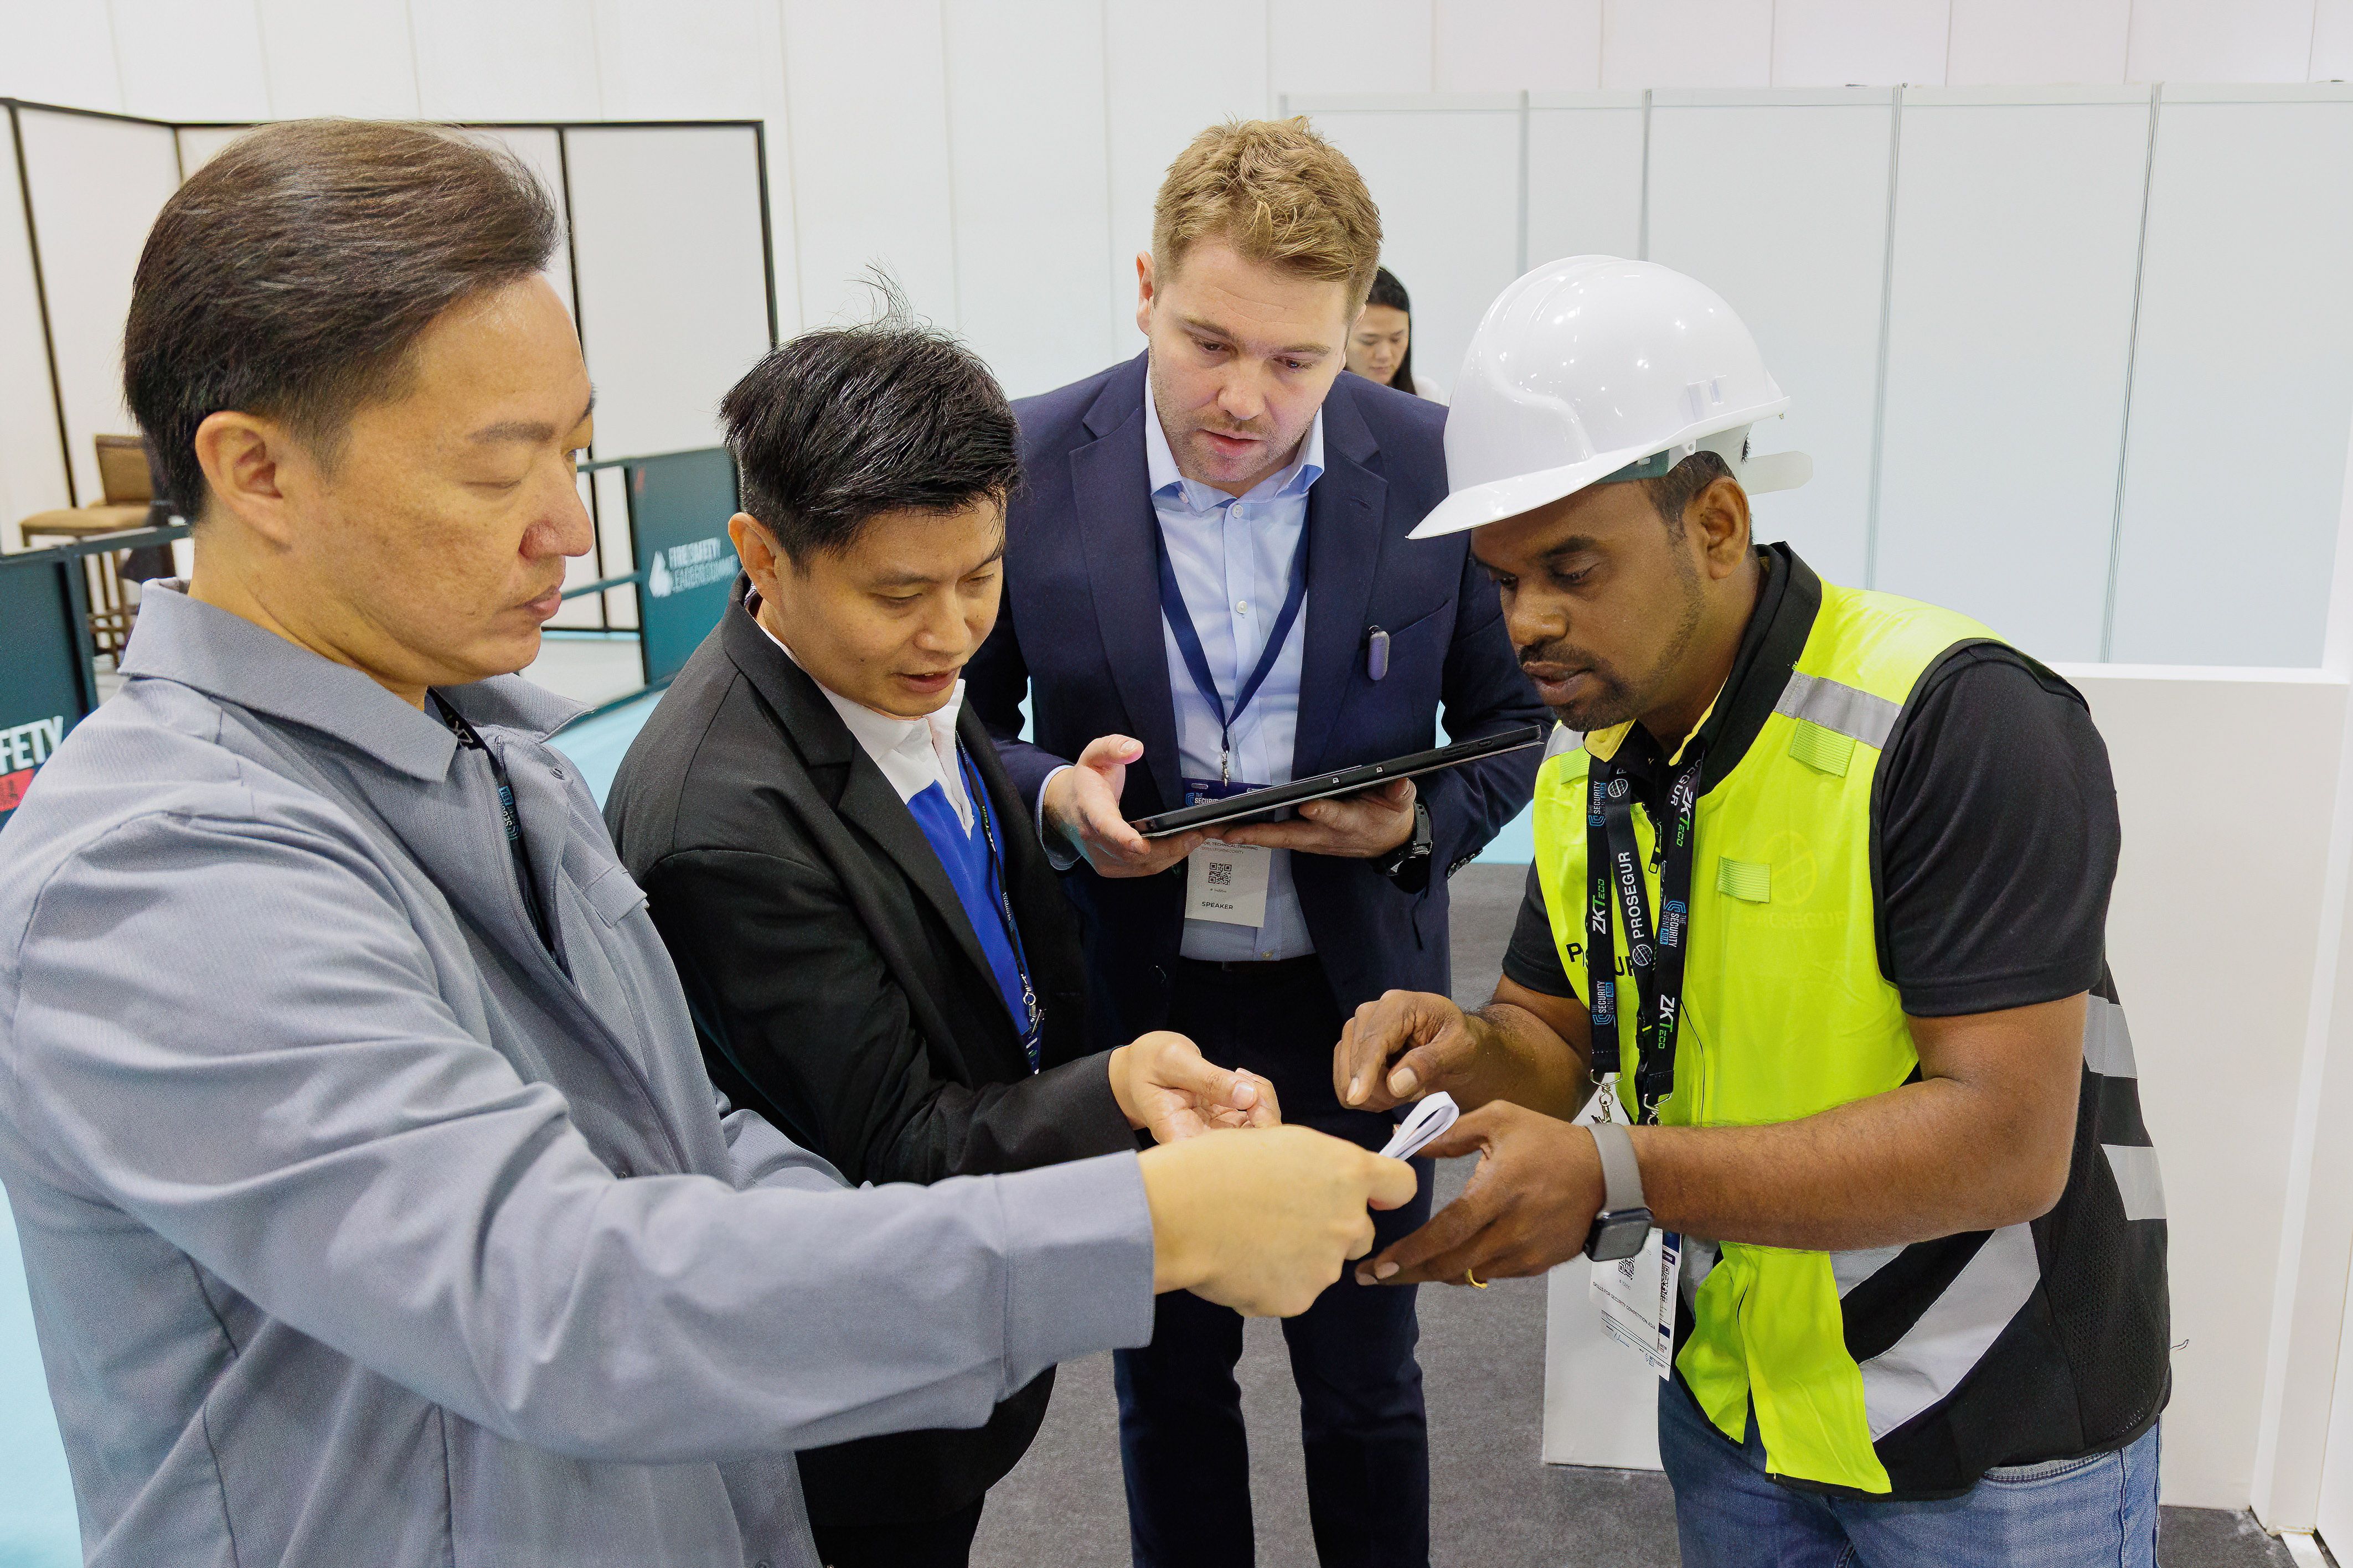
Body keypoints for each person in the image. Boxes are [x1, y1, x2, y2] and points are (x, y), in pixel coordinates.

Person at [0, 120, 1419, 1568]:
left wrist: (1024, 1187)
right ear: (259, 472)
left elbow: (674, 1133)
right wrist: (1137, 1229)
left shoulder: (496, 759)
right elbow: (562, 1299)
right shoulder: (158, 881)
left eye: (573, 453)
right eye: (498, 472)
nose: (568, 529)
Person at [1337, 256, 2169, 1565]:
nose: (1528, 621)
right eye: (1500, 580)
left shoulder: (1954, 720)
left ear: (1716, 523)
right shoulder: (1590, 758)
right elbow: (1557, 1038)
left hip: (1989, 1434)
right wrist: (1466, 1047)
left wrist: (1617, 1175)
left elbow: (2007, 1141)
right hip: (1736, 1406)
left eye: (1570, 567)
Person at [605, 308, 1282, 1567]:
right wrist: (1119, 1090)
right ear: (762, 555)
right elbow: (899, 1147)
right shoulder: (726, 828)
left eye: (981, 577)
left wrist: (1052, 798)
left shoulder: (870, 674)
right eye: (901, 593)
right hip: (853, 1401)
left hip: (957, 1340)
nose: (952, 632)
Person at [966, 118, 1547, 1568]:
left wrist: (1417, 821)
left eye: (1297, 361)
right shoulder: (1025, 459)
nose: (1244, 399)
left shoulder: (1437, 465)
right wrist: (1056, 797)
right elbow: (953, 716)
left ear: (1356, 335)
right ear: (1144, 288)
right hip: (1135, 1011)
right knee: (1165, 1385)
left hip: (1359, 1013)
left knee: (1368, 1382)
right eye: (1208, 342)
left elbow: (1514, 713)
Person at [1346, 265, 1444, 403]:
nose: (1385, 355)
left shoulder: (1426, 396)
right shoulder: (1318, 403)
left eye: (1396, 339)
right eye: (1369, 341)